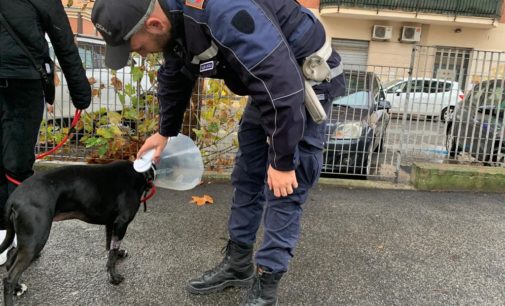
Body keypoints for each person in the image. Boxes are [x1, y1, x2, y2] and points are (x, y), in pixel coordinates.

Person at [91, 0, 345, 304]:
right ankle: (238, 264)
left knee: (284, 187)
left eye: (137, 47)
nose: (140, 53)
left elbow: (283, 86)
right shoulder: (175, 20)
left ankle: (267, 283)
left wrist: (282, 160)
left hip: (302, 86)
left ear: (154, 24)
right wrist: (164, 132)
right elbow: (176, 72)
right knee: (247, 174)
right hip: (268, 85)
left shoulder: (226, 11)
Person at [0, 0, 91, 264]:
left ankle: (14, 235)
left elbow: (63, 41)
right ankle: (16, 237)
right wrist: (81, 95)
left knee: (12, 164)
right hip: (23, 83)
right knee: (16, 165)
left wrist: (81, 93)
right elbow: (64, 42)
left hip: (22, 82)